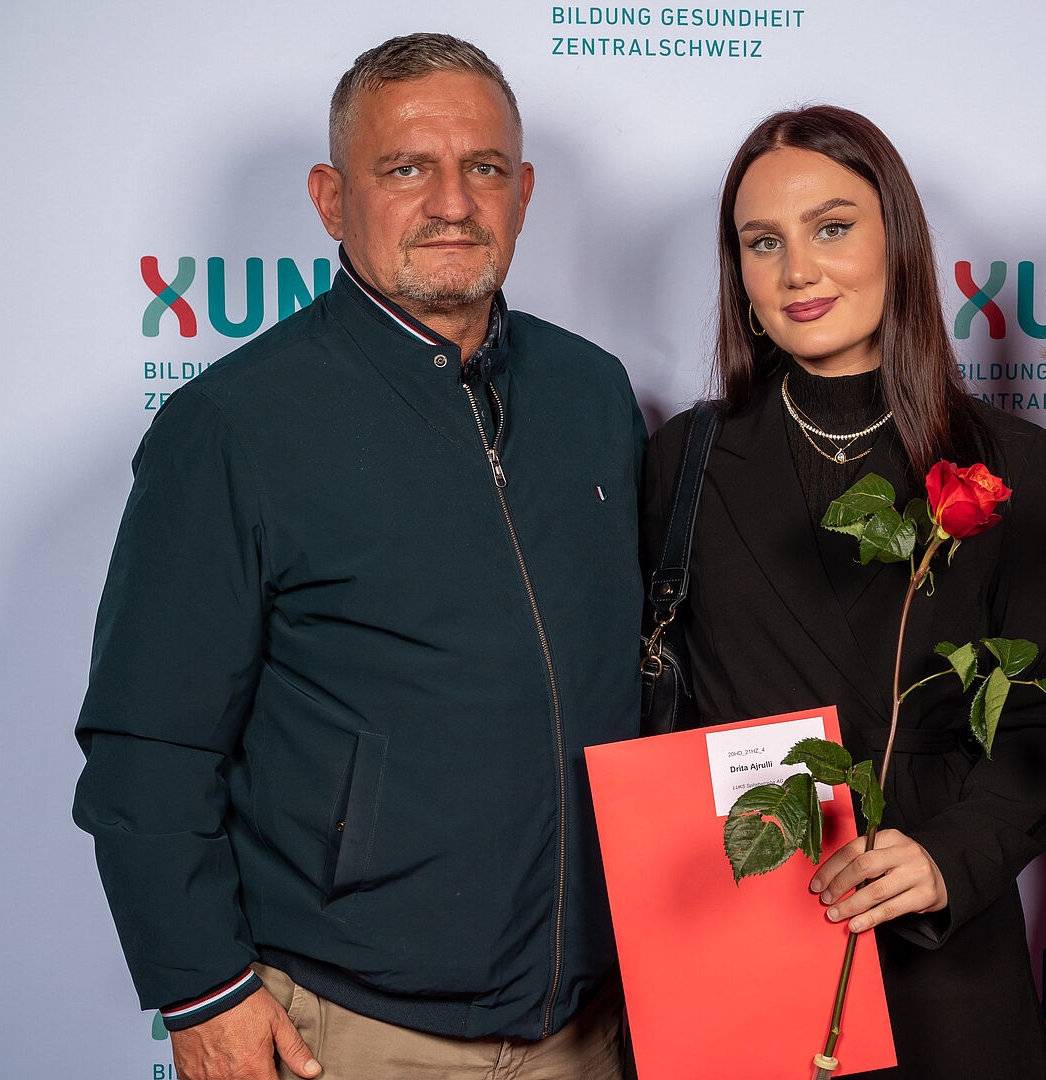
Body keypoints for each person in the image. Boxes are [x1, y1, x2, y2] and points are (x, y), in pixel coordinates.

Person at [73, 33, 643, 1080]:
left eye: (483, 168)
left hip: (588, 1025)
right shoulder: (235, 426)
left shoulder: (593, 392)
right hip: (350, 1032)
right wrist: (202, 991)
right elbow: (148, 744)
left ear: (523, 194)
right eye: (406, 168)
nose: (452, 203)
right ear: (332, 200)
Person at [642, 105, 1046, 1079]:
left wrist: (948, 858)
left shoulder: (1010, 462)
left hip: (941, 938)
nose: (797, 270)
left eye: (832, 227)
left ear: (899, 242)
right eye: (764, 242)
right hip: (745, 923)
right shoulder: (683, 461)